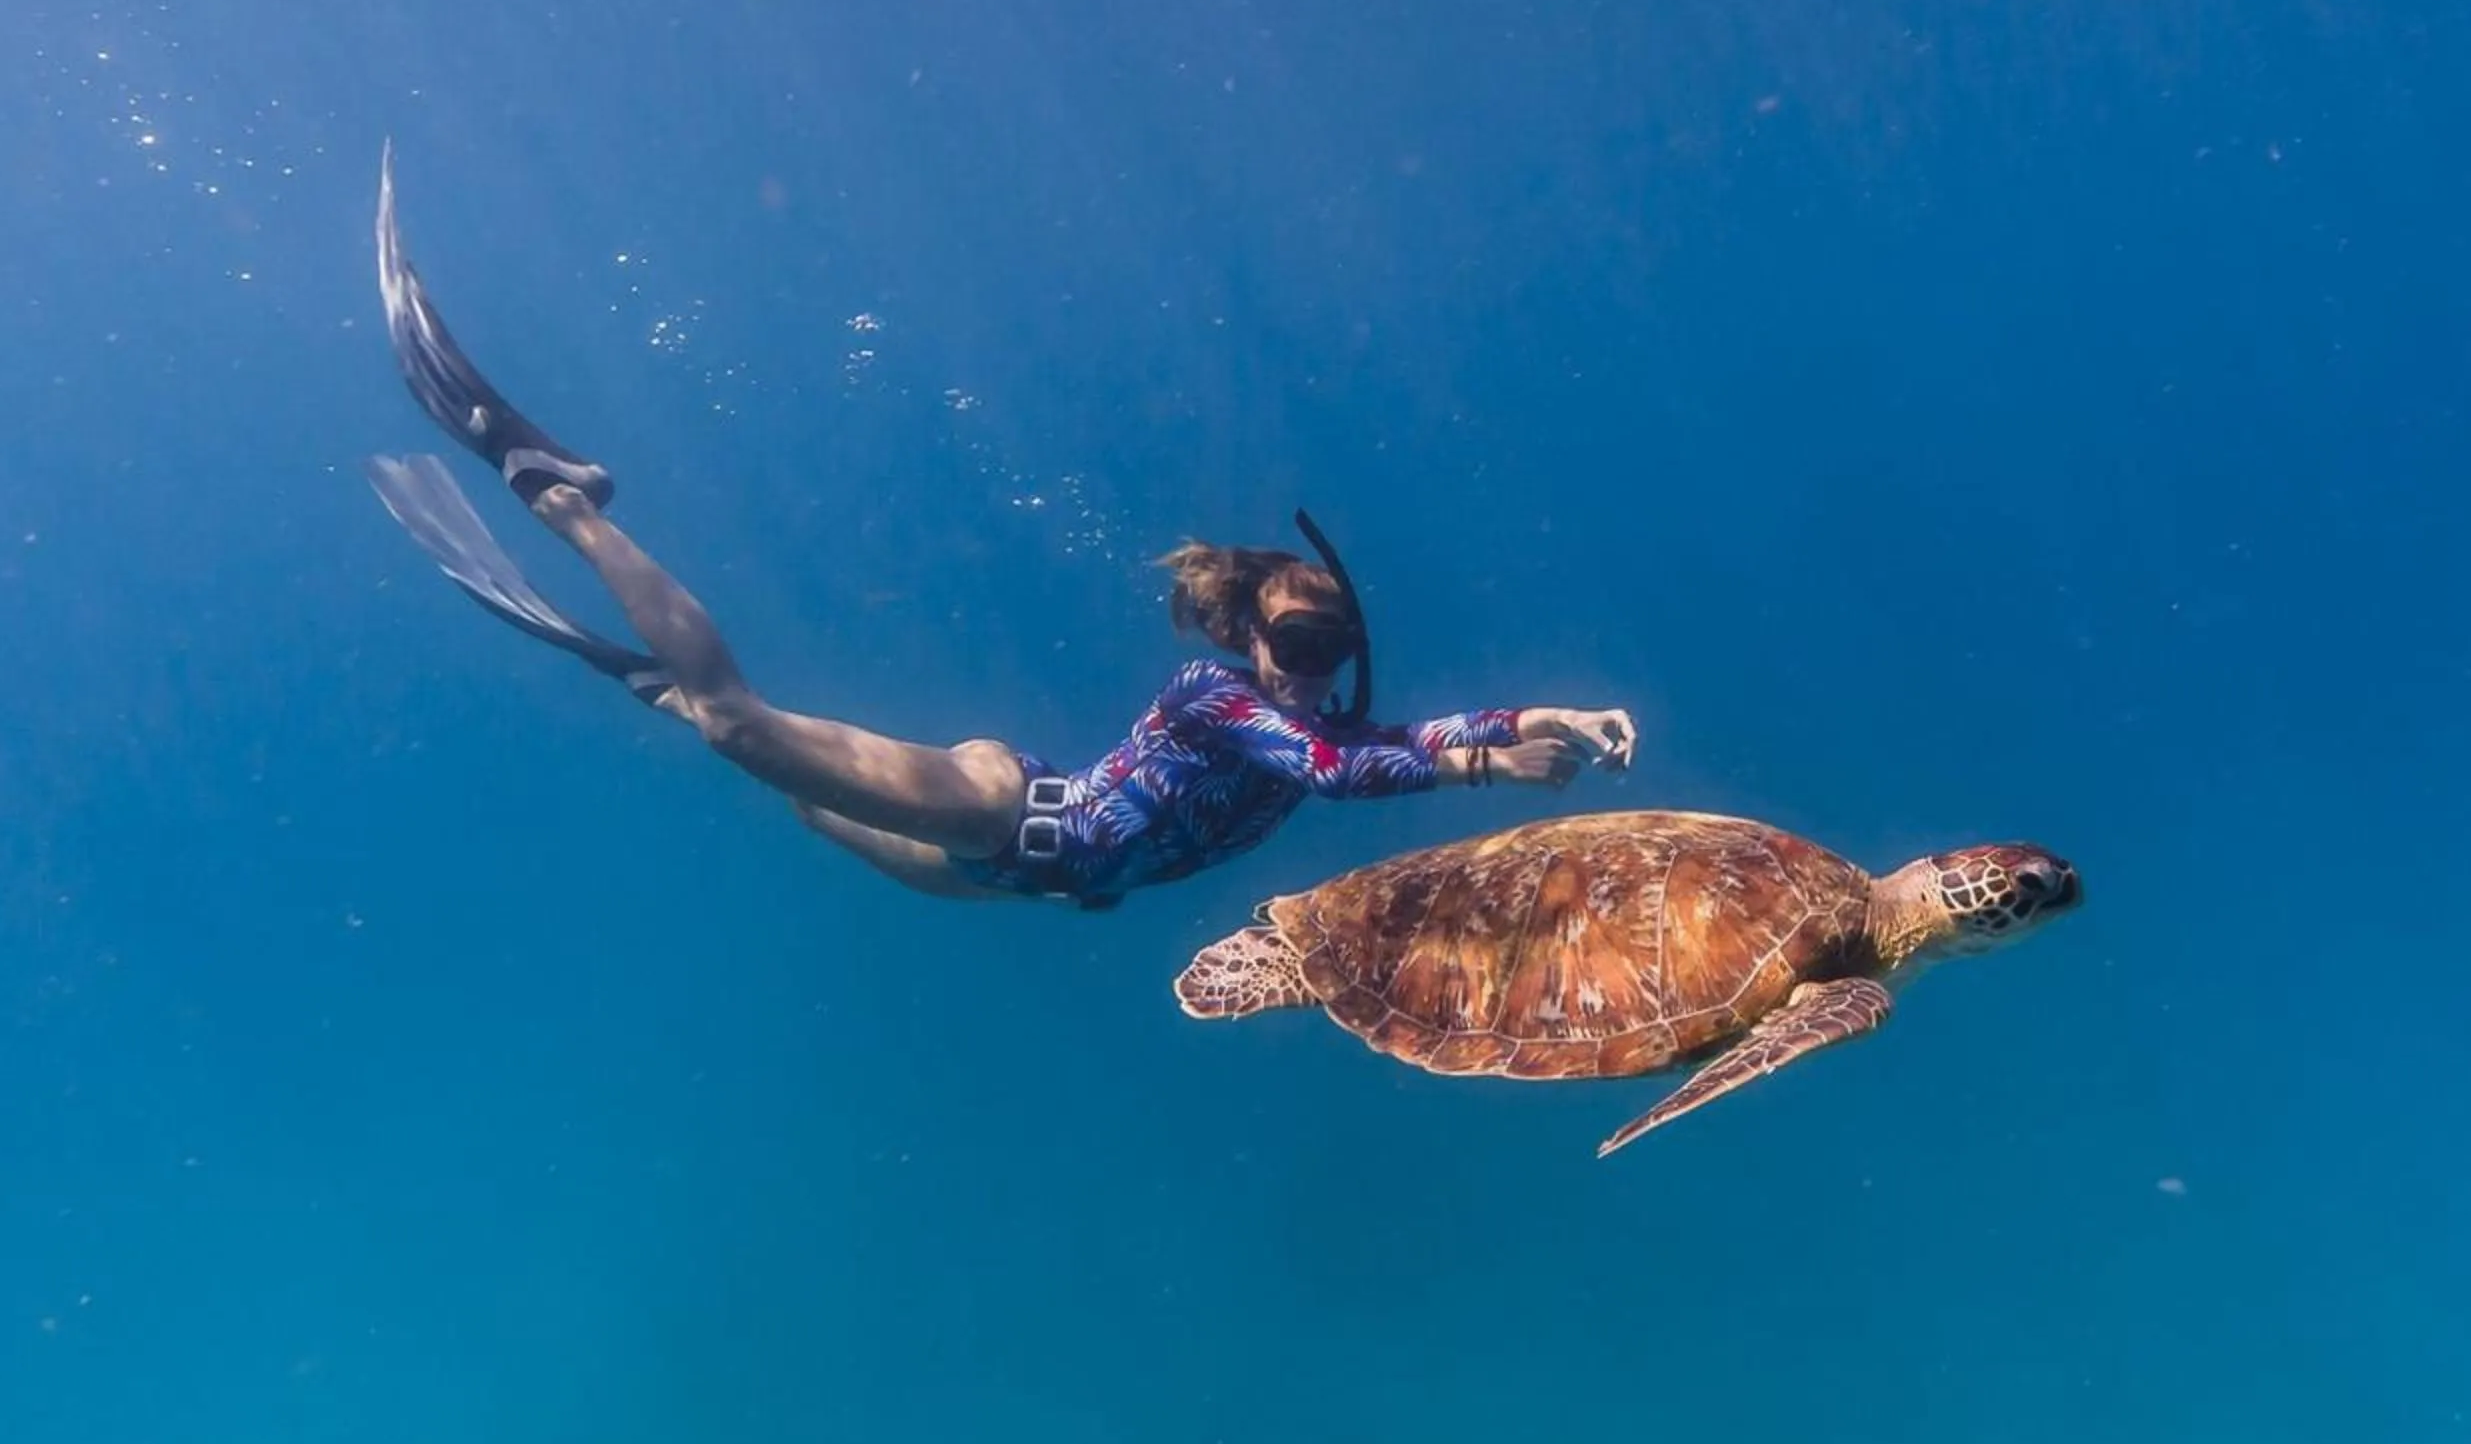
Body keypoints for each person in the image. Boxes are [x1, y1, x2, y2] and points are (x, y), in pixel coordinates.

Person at [360, 148, 1640, 909]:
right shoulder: (1219, 698)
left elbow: (1392, 738)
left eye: (1331, 641)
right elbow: (1343, 767)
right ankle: (558, 491)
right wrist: (1487, 767)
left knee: (775, 784)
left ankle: (656, 689)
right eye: (1297, 636)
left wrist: (1536, 720)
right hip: (1000, 808)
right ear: (1250, 632)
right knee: (747, 725)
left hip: (1009, 876)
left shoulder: (1310, 721)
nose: (1312, 664)